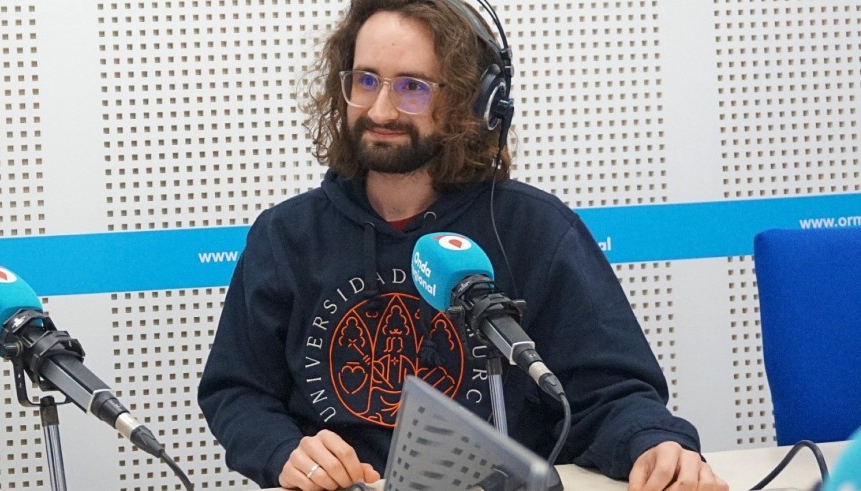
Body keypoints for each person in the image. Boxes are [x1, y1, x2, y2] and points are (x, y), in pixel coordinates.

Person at [198, 0, 728, 490]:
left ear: (471, 100)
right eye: (365, 80)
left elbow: (609, 395)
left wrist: (653, 443)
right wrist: (286, 451)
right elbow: (236, 391)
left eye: (412, 87)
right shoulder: (285, 237)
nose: (381, 110)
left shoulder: (535, 230)